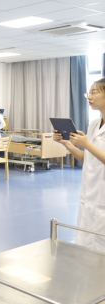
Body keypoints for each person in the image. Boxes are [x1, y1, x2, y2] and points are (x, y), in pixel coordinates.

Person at [53, 80, 105, 252]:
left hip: (102, 197)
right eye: (88, 93)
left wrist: (87, 144)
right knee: (85, 247)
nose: (89, 97)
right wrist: (67, 144)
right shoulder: (94, 124)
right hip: (89, 196)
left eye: (94, 92)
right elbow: (88, 159)